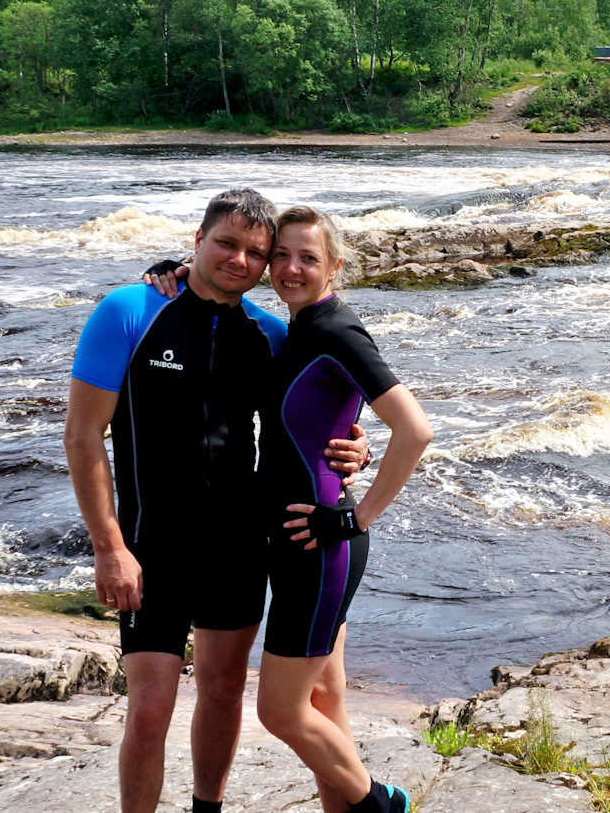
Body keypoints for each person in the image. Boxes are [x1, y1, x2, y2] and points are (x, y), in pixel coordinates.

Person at [64, 189, 369, 813]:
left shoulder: (270, 334)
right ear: (196, 241)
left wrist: (354, 448)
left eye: (257, 253)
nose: (241, 260)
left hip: (236, 546)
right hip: (149, 547)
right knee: (149, 711)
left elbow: (317, 412)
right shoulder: (129, 311)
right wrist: (110, 547)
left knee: (224, 691)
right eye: (227, 243)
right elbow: (82, 435)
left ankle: (209, 808)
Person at [146, 204, 431, 813]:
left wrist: (356, 517)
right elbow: (324, 411)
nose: (290, 268)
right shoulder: (294, 330)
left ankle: (381, 805)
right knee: (326, 698)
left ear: (335, 265)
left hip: (318, 545)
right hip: (294, 540)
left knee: (280, 711)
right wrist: (174, 273)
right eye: (281, 255)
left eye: (308, 257)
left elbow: (415, 430)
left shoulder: (335, 331)